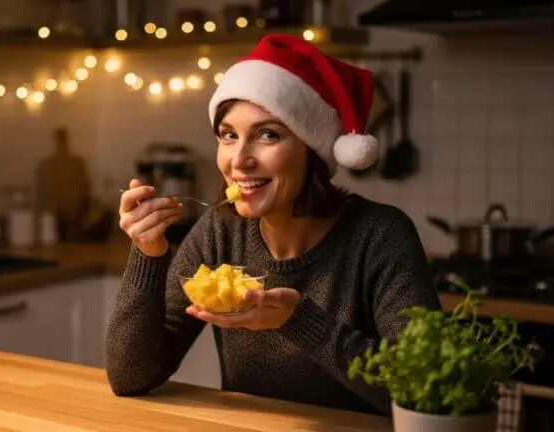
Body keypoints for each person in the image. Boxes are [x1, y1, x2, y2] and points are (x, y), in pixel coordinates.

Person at [106, 34, 442, 416]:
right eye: (229, 135)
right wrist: (148, 254)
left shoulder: (381, 236)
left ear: (312, 151)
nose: (239, 160)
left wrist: (299, 321)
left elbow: (428, 392)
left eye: (267, 135)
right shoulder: (219, 232)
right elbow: (131, 376)